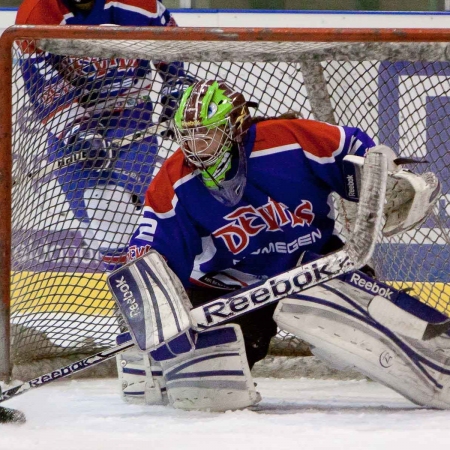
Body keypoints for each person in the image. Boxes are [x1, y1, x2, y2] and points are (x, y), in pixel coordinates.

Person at [118, 79, 449, 412]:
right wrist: (157, 315)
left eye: (207, 134)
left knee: (359, 301)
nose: (195, 146)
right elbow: (152, 252)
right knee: (209, 391)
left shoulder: (288, 141)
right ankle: (146, 360)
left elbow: (353, 149)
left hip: (311, 268)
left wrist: (386, 179)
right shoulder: (175, 178)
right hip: (230, 289)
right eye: (186, 136)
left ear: (234, 128)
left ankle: (431, 346)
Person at [15, 0, 193, 268]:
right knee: (92, 216)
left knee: (113, 207)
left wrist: (175, 85)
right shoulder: (36, 13)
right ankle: (129, 283)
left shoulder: (138, 3)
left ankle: (136, 289)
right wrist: (77, 132)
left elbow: (170, 43)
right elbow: (43, 87)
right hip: (70, 126)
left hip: (131, 117)